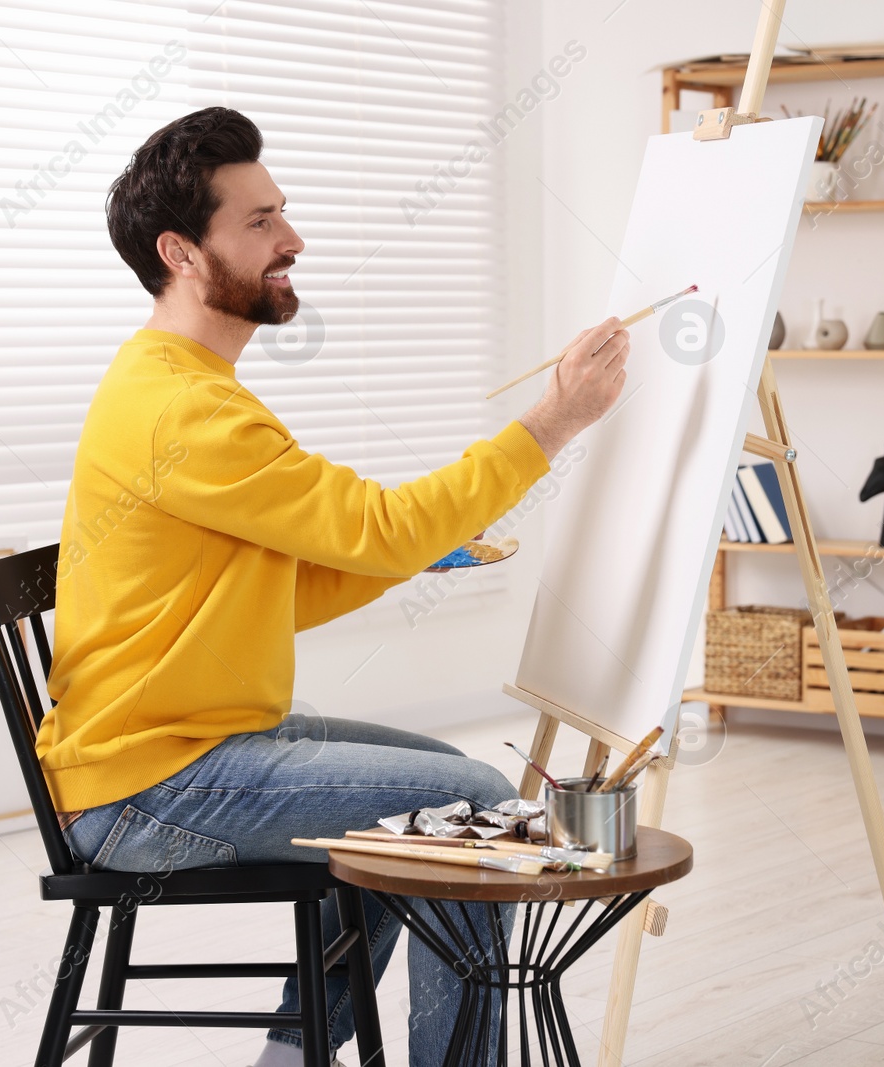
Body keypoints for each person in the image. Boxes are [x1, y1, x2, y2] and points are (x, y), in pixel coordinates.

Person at [39, 106, 628, 1067]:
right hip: (149, 784)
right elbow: (375, 524)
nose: (292, 240)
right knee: (472, 805)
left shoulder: (181, 383)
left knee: (431, 786)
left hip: (185, 742)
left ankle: (290, 1056)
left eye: (283, 213)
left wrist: (416, 551)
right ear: (181, 253)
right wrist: (553, 423)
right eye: (260, 222)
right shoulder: (183, 408)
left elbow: (287, 584)